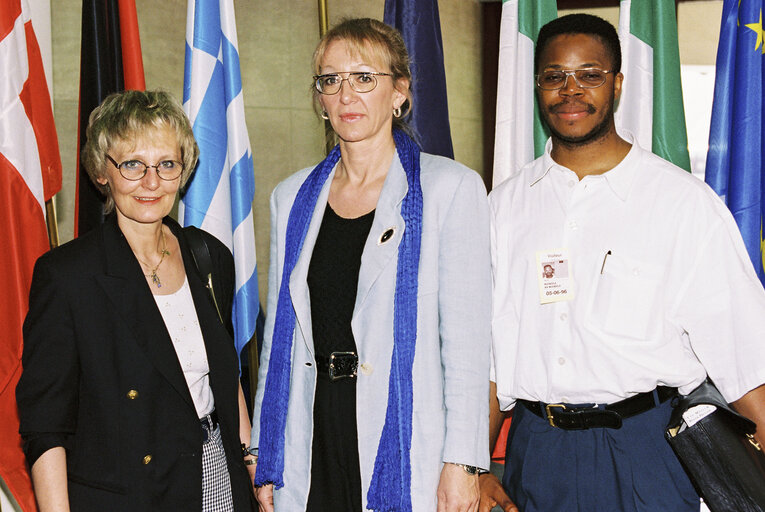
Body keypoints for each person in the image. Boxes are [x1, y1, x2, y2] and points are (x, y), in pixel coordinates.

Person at [480, 13, 765, 512]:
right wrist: (476, 467)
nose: (571, 90)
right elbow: (484, 358)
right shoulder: (502, 208)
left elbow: (743, 352)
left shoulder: (681, 203)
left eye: (589, 74)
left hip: (646, 451)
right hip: (535, 452)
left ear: (616, 83)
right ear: (537, 85)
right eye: (554, 76)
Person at [249, 17, 491, 512]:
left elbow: (467, 346)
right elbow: (279, 337)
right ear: (319, 99)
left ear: (399, 91)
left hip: (403, 434)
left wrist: (464, 463)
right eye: (330, 80)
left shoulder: (450, 189)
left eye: (364, 78)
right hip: (313, 434)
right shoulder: (291, 197)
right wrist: (264, 451)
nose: (346, 95)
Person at [16, 90, 256, 511]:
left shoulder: (208, 255)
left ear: (184, 170)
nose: (151, 182)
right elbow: (46, 427)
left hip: (217, 477)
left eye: (166, 164)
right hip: (131, 494)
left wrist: (252, 462)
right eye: (132, 165)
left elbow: (225, 375)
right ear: (103, 171)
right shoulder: (68, 276)